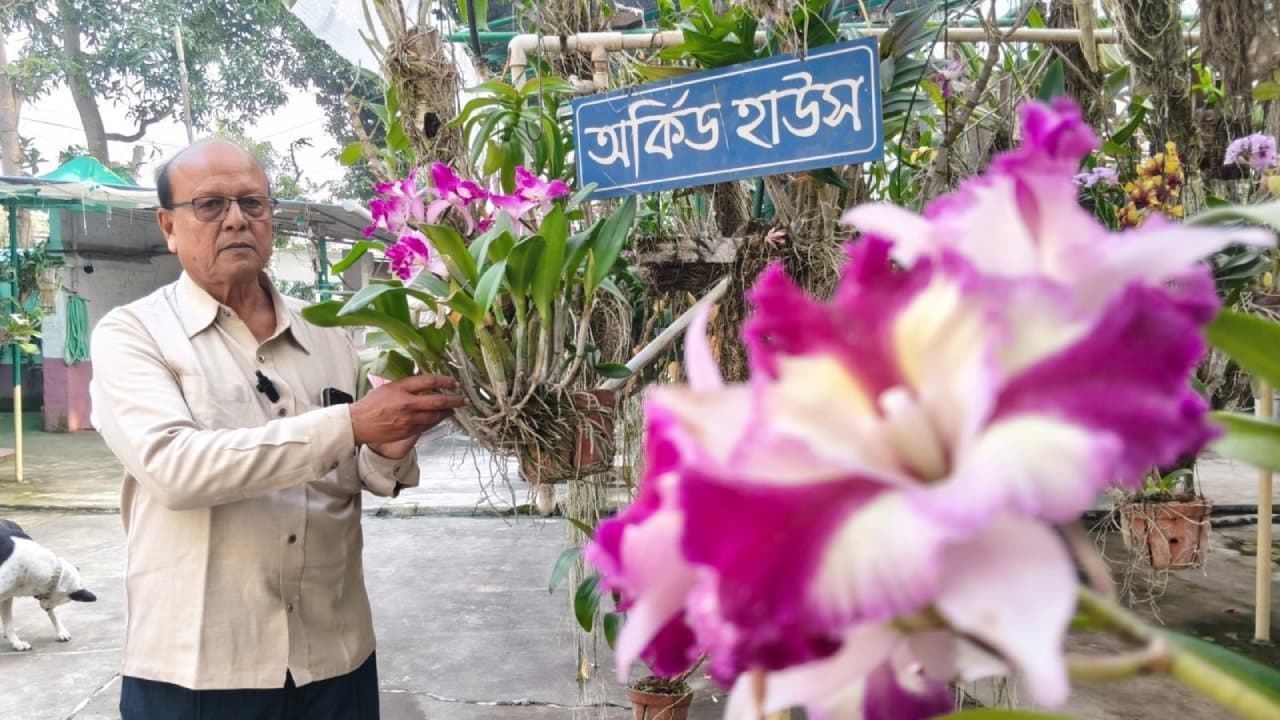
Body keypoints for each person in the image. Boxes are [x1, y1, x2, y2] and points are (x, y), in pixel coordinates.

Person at [90, 139, 465, 720]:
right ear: (168, 225)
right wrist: (351, 423)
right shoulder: (133, 335)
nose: (237, 218)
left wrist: (387, 447)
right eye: (210, 204)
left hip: (333, 657)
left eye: (253, 203)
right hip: (201, 669)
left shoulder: (332, 332)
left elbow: (360, 466)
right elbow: (175, 470)